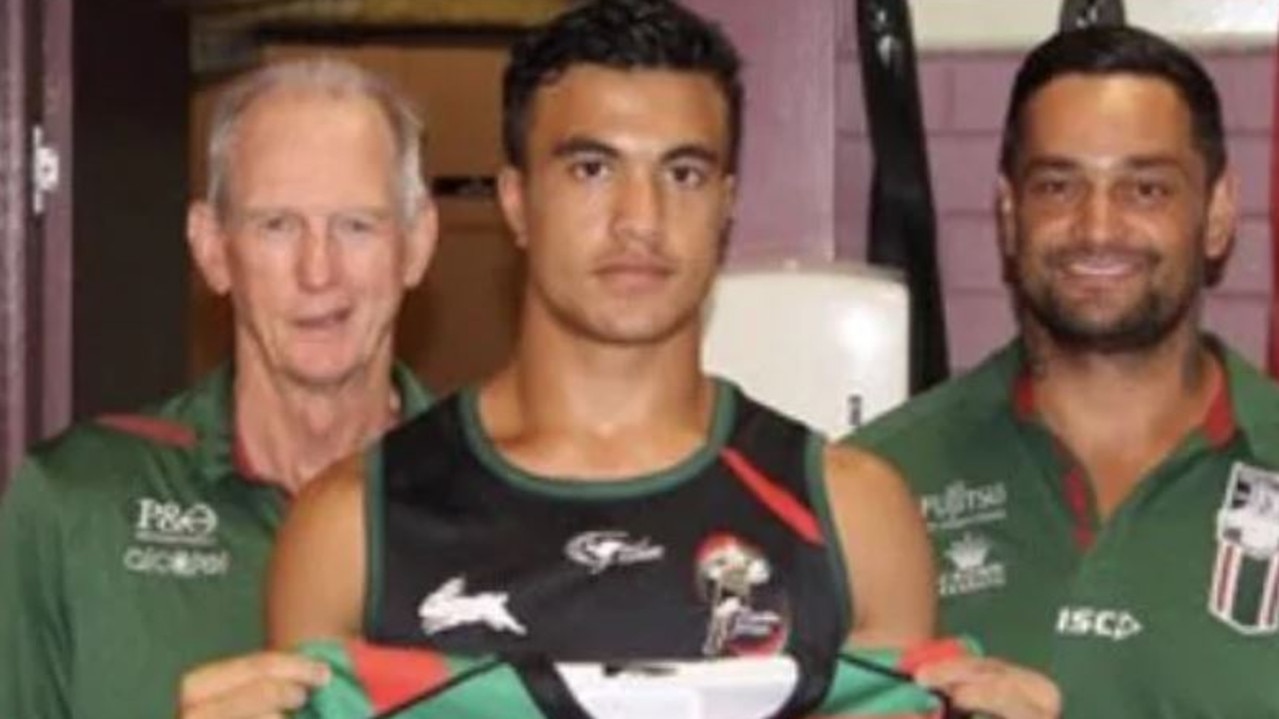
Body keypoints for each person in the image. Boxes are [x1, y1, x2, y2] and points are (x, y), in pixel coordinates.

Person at [268, 2, 1058, 717]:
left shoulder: (852, 516)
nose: (638, 220)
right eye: (591, 168)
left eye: (682, 173)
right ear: (514, 199)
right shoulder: (352, 525)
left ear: (726, 203)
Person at [850, 24, 1279, 717]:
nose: (1097, 227)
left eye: (1145, 189)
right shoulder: (875, 483)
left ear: (1218, 213)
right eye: (1057, 185)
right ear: (1008, 211)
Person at [0, 58, 438, 719]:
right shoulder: (75, 506)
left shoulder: (516, 508)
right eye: (276, 225)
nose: (318, 270)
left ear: (417, 244)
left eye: (356, 224)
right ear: (211, 248)